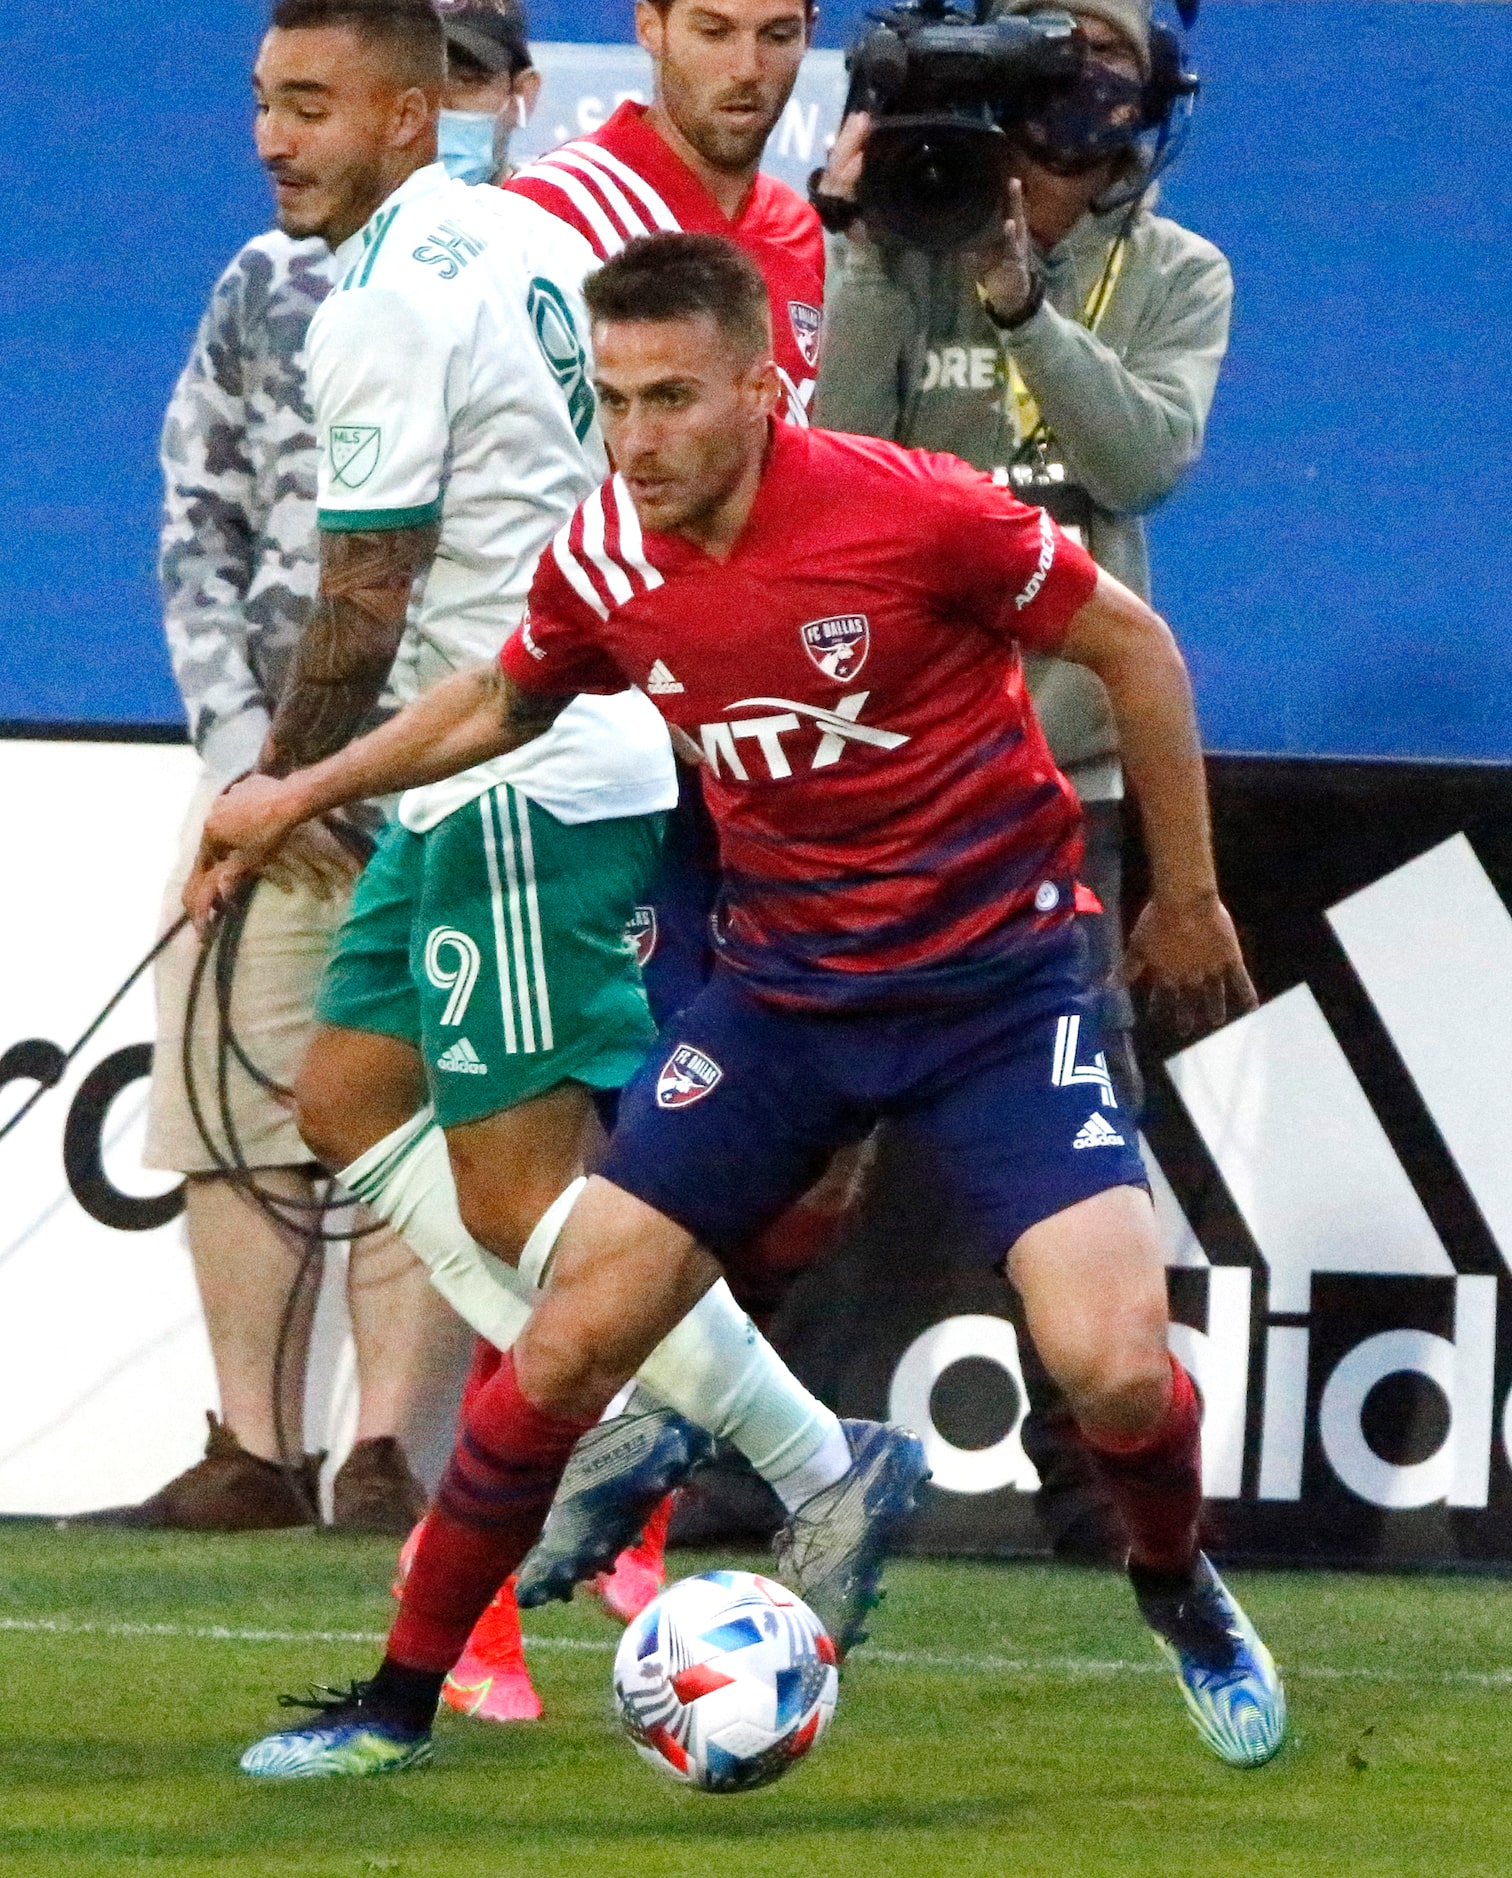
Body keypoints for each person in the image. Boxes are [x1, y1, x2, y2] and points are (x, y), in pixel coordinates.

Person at [207, 232, 1287, 1777]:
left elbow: (1135, 640)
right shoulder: (609, 553)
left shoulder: (913, 512)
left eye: (671, 400)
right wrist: (295, 786)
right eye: (614, 399)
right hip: (785, 999)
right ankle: (391, 1697)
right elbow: (508, 692)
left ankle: (1178, 1587)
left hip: (997, 988)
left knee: (1115, 1361)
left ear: (764, 391)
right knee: (571, 1338)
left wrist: (1188, 894)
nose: (636, 439)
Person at [201, 0, 908, 1761]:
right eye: (264, 103)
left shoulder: (379, 300)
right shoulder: (520, 229)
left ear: (410, 107)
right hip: (482, 778)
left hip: (517, 786)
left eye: (312, 104)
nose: (277, 137)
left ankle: (820, 1462)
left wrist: (278, 786)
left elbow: (366, 590)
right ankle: (623, 1400)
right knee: (346, 1086)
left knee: (526, 1204)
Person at [811, 0, 1233, 1559]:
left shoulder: (1177, 273)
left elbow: (1139, 462)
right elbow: (837, 463)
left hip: (1060, 785)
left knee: (1078, 1151)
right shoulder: (907, 232)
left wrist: (1018, 302)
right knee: (799, 1134)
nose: (1079, 93)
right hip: (878, 783)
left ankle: (1102, 1484)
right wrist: (866, 247)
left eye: (1108, 63)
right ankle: (748, 1455)